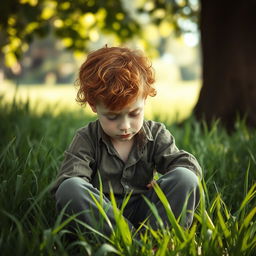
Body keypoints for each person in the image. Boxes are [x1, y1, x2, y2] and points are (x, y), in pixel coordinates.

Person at [52, 45, 202, 237]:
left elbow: (185, 164)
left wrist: (168, 180)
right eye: (112, 117)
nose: (125, 125)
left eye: (134, 114)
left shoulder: (156, 134)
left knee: (186, 177)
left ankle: (157, 241)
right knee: (70, 188)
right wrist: (88, 195)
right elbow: (70, 180)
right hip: (104, 218)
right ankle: (132, 243)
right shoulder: (86, 138)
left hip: (149, 215)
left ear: (145, 99)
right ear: (93, 106)